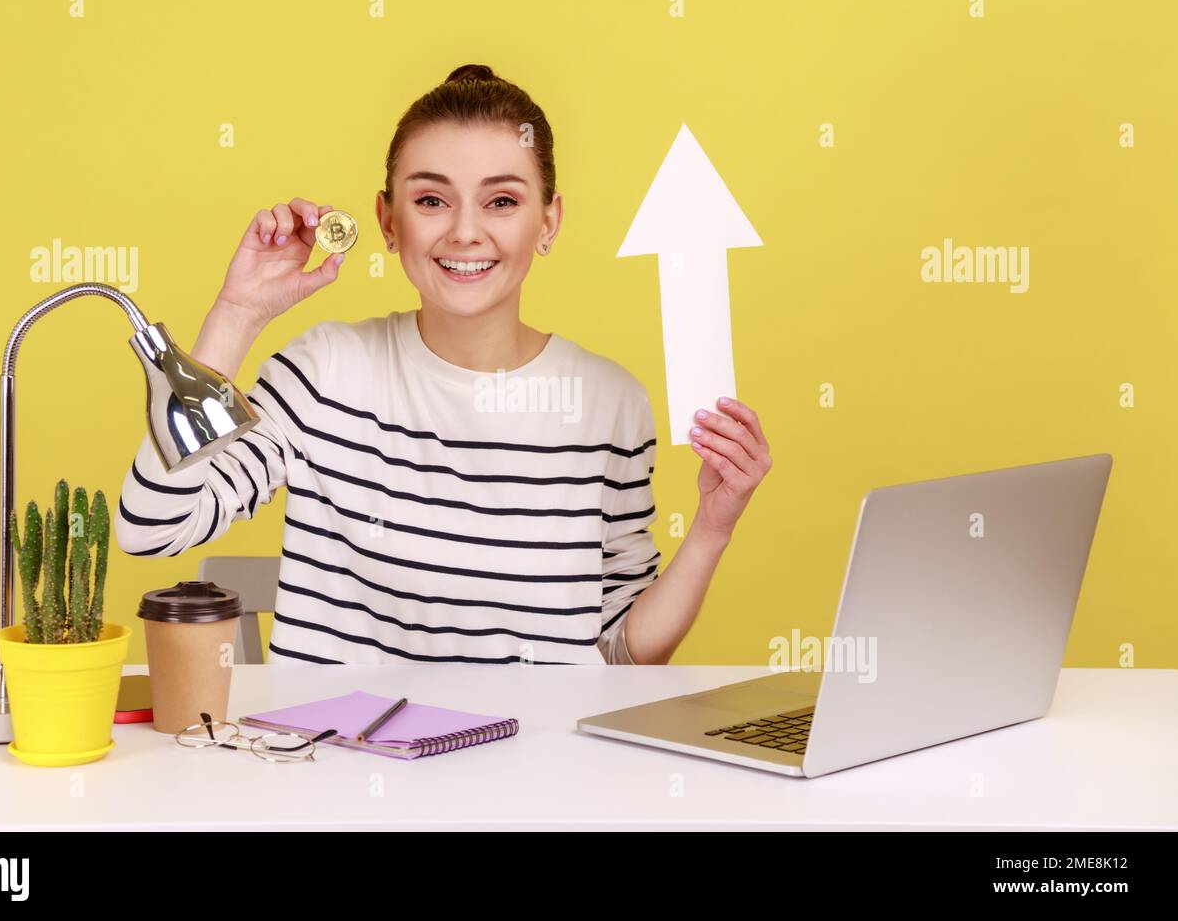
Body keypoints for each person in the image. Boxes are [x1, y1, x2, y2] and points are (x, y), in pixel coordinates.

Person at [114, 64, 772, 665]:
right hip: (344, 774)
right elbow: (153, 526)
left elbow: (623, 650)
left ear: (548, 222)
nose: (464, 231)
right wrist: (237, 315)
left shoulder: (609, 404)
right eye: (431, 200)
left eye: (502, 201)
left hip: (534, 781)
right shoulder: (326, 373)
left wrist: (714, 529)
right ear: (388, 220)